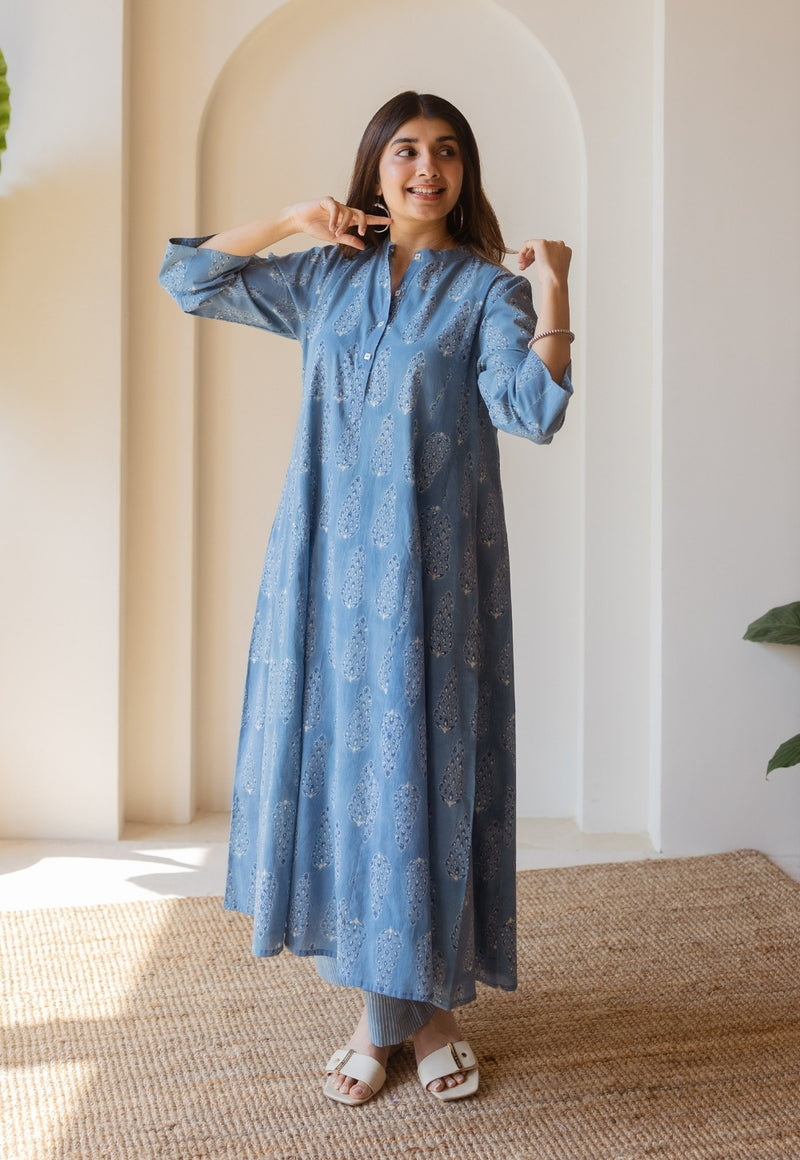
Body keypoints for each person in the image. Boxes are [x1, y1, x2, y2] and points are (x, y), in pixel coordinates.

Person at [159, 90, 573, 1105]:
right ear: (375, 168)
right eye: (405, 151)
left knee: (419, 775)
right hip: (324, 571)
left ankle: (380, 1019)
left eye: (446, 152)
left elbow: (530, 410)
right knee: (350, 778)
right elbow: (190, 278)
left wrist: (556, 290)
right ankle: (423, 1016)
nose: (426, 168)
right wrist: (291, 220)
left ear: (465, 173)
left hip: (433, 578)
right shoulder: (324, 278)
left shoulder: (486, 291)